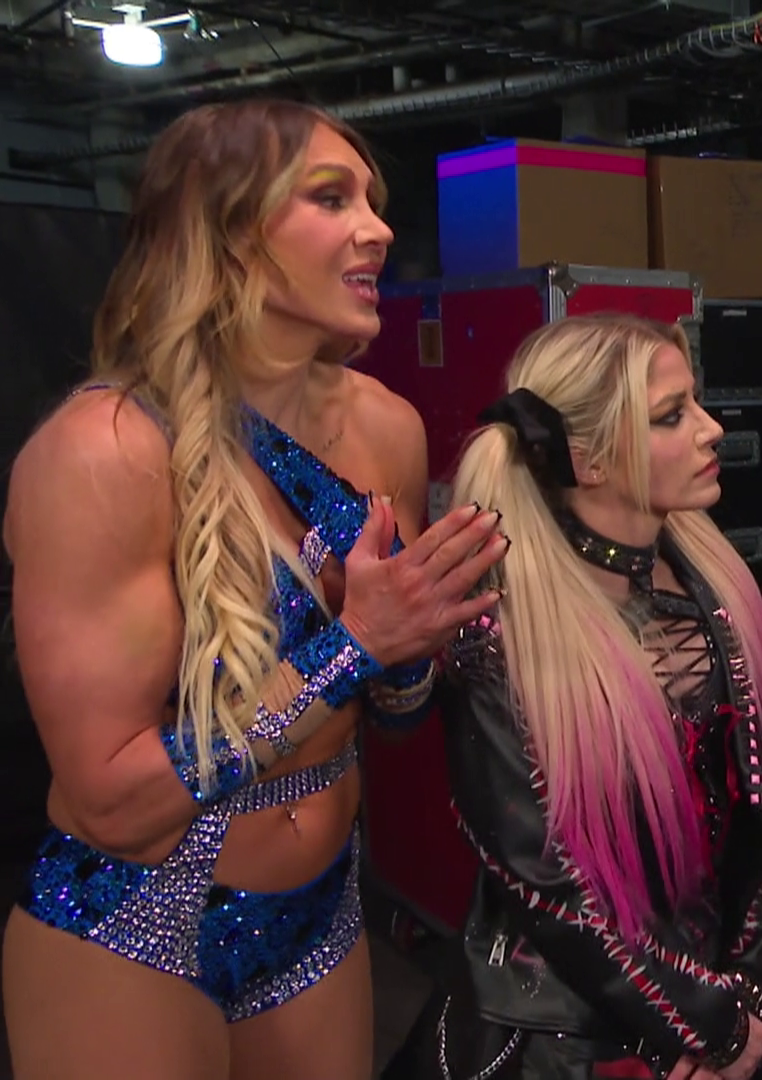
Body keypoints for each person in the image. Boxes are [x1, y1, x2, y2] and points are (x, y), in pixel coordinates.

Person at [2, 99, 506, 1080]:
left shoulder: (388, 428)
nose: (379, 228)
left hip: (321, 919)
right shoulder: (105, 452)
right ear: (227, 233)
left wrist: (422, 644)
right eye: (332, 198)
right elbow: (114, 803)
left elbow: (394, 719)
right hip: (132, 925)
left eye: (374, 199)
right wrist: (353, 645)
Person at [437, 314, 762, 1080]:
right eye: (673, 415)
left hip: (718, 1004)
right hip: (568, 1033)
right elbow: (549, 892)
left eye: (696, 402)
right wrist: (702, 1023)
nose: (712, 429)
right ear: (589, 460)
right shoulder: (502, 632)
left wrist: (737, 1001)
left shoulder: (717, 591)